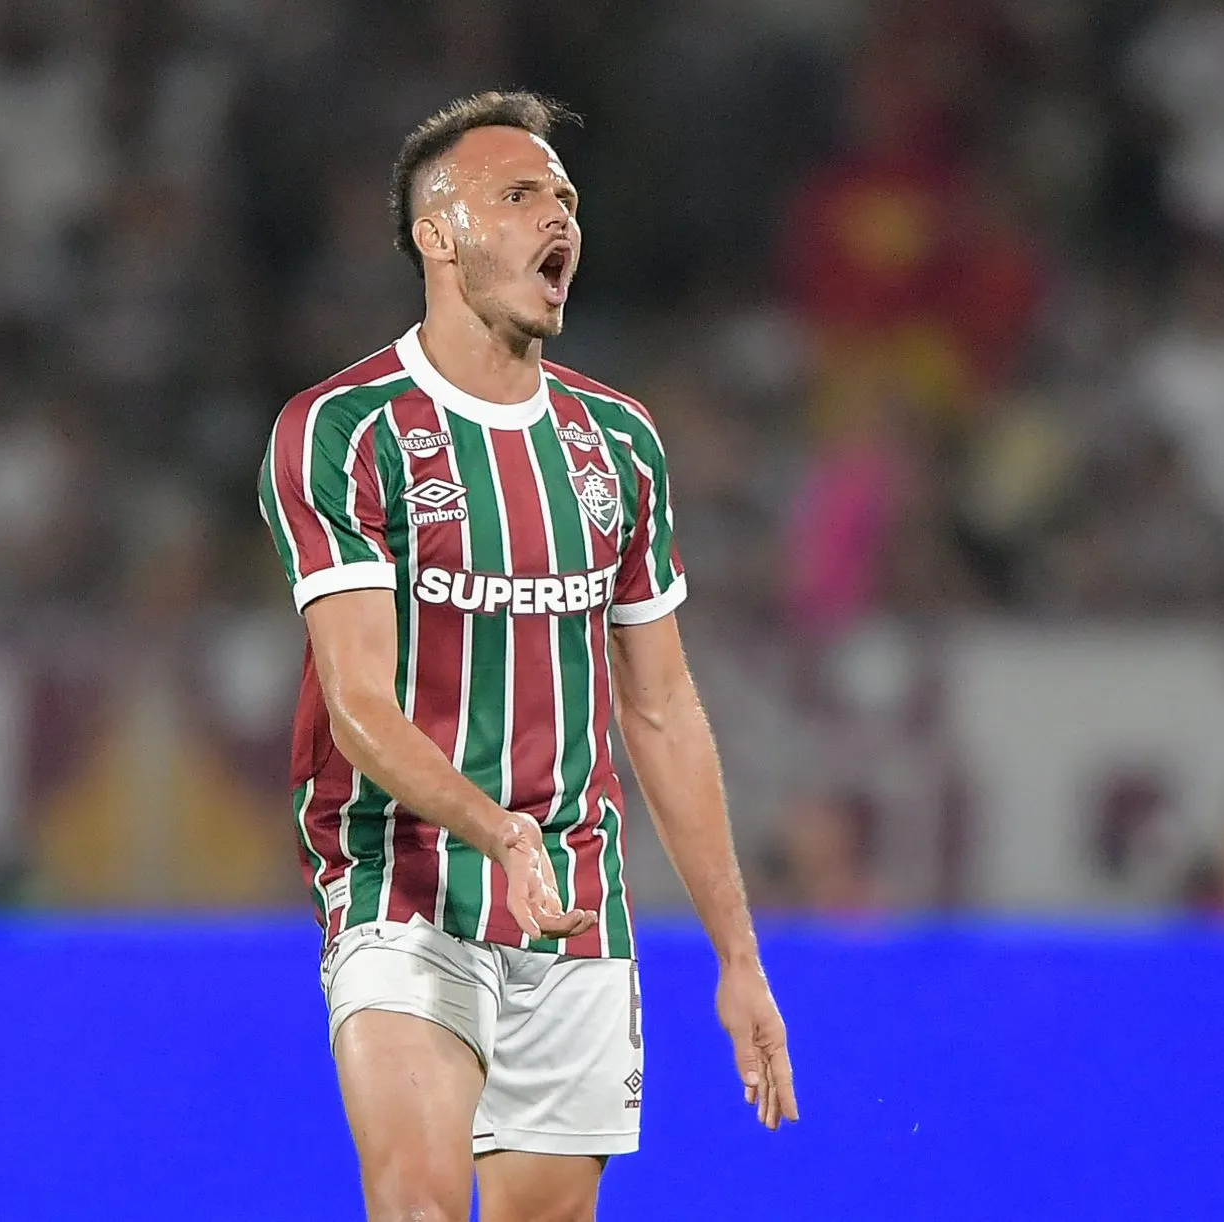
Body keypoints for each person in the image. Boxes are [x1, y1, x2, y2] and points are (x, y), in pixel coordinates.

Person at [257, 92, 796, 1222]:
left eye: (566, 197)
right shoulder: (347, 427)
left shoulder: (620, 443)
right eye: (520, 194)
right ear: (437, 235)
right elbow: (357, 700)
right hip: (402, 880)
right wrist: (493, 828)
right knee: (418, 1203)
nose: (559, 216)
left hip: (575, 904)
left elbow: (660, 709)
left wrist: (738, 955)